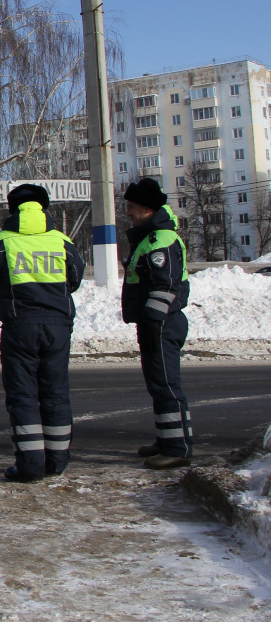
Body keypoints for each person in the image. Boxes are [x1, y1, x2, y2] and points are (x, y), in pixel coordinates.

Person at [0, 184, 86, 482]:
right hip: (58, 326)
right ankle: (57, 461)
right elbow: (74, 280)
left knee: (23, 395)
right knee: (56, 392)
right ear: (44, 208)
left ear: (13, 209)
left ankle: (31, 465)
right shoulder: (61, 241)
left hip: (19, 326)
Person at [121, 177, 194, 469]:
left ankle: (177, 448)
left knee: (166, 386)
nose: (128, 212)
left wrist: (152, 322)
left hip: (162, 322)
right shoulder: (151, 237)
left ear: (148, 209)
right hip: (157, 322)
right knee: (158, 385)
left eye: (132, 207)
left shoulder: (160, 240)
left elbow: (166, 287)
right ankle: (166, 440)